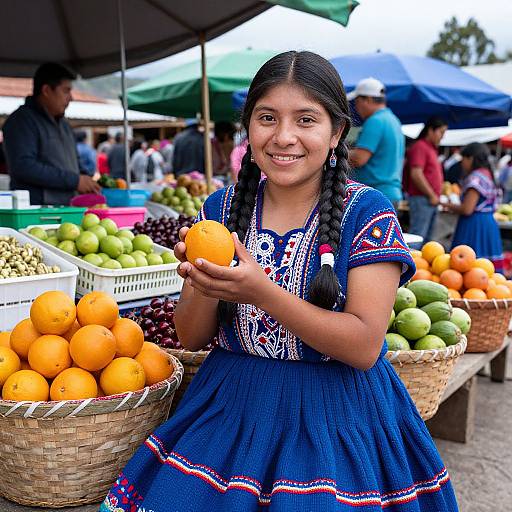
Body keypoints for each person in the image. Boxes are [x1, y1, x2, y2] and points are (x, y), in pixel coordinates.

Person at [101, 51, 457, 512]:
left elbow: (365, 345)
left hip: (338, 419)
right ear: (247, 128)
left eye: (306, 119)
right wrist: (203, 284)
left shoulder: (367, 213)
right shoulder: (221, 209)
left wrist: (261, 291)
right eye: (267, 117)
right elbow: (191, 335)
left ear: (336, 133)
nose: (284, 136)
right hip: (232, 407)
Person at [2, 62, 99, 205]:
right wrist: (74, 180)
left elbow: (75, 163)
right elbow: (23, 166)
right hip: (37, 211)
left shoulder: (64, 124)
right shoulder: (21, 121)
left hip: (68, 207)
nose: (70, 98)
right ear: (47, 90)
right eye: (66, 91)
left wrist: (87, 178)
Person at [445, 143, 504, 273]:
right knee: (487, 273)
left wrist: (446, 205)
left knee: (469, 270)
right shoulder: (488, 174)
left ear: (471, 158)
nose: (462, 163)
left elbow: (467, 209)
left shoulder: (476, 178)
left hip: (474, 226)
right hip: (488, 224)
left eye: (463, 159)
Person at [348, 77, 405, 207]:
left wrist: (334, 151)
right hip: (390, 193)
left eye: (356, 102)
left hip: (376, 194)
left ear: (367, 100)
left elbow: (359, 159)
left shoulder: (375, 121)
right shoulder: (393, 120)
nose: (356, 108)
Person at [403, 117, 448, 242]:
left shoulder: (430, 148)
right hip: (422, 199)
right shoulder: (420, 146)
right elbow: (416, 174)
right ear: (430, 131)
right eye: (441, 132)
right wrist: (431, 195)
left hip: (429, 199)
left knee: (427, 240)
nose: (442, 137)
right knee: (418, 237)